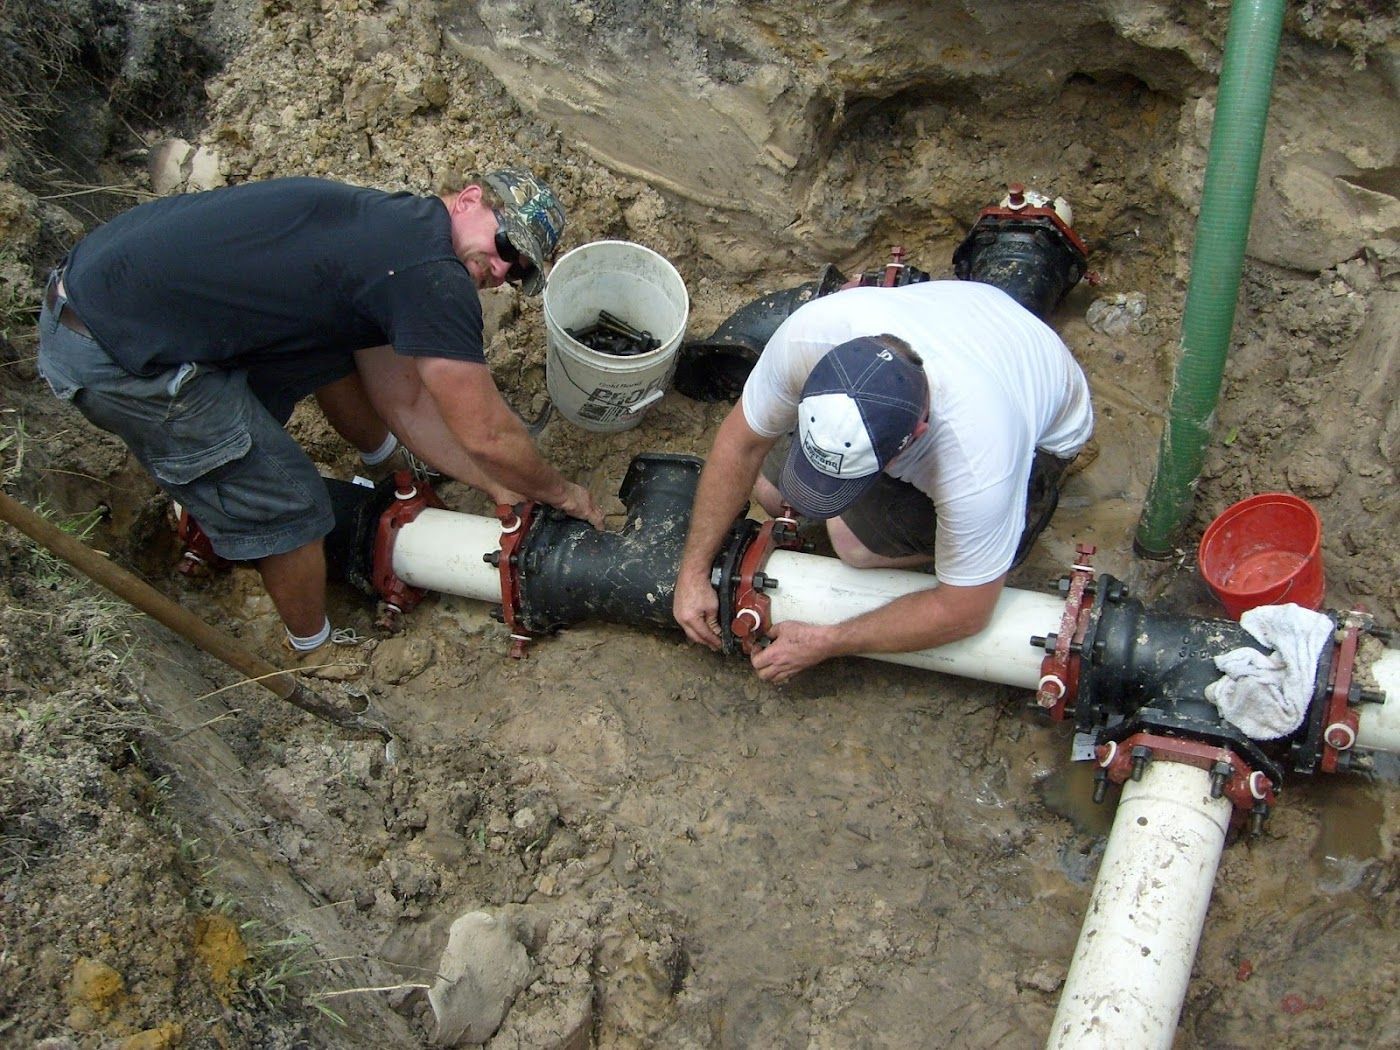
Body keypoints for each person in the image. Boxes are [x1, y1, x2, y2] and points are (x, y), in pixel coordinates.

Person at [37, 168, 604, 668]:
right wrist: (562, 494)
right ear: (468, 199)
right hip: (117, 357)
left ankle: (310, 484)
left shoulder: (390, 231)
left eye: (518, 269)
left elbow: (402, 400)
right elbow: (487, 431)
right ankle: (311, 649)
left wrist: (492, 483)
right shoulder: (432, 274)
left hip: (105, 297)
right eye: (505, 245)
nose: (501, 269)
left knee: (331, 350)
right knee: (295, 505)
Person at [673, 279, 1093, 685]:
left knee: (852, 545)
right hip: (973, 323)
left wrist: (828, 641)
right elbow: (739, 446)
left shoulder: (976, 457)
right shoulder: (810, 339)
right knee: (771, 489)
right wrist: (692, 573)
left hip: (1044, 432)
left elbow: (965, 611)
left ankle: (1011, 533)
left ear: (915, 436)